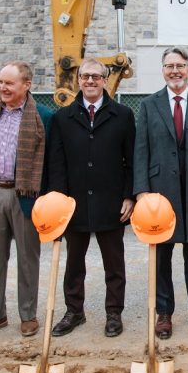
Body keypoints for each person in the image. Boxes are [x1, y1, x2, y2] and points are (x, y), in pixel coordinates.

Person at [133, 47, 188, 339]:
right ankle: (164, 312)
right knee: (162, 253)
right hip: (160, 192)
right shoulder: (149, 105)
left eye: (180, 66)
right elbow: (141, 150)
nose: (175, 71)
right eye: (169, 65)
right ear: (163, 70)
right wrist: (142, 192)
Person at [47, 58, 135, 338]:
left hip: (111, 202)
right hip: (74, 204)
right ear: (78, 80)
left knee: (114, 263)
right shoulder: (62, 117)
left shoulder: (122, 115)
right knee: (74, 263)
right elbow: (56, 163)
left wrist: (129, 196)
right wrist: (59, 201)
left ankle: (113, 313)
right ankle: (74, 311)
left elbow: (132, 160)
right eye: (85, 76)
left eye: (96, 77)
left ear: (105, 80)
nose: (90, 81)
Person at [0, 61, 54, 339]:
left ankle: (28, 315)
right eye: (0, 82)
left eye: (9, 83)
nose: (2, 87)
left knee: (28, 258)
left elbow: (50, 161)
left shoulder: (44, 116)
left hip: (26, 195)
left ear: (26, 85)